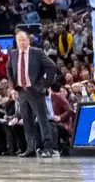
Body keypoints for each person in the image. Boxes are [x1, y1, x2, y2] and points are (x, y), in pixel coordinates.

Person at [7, 30, 58, 158]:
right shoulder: (13, 54)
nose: (22, 43)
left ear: (28, 40)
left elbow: (52, 67)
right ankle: (31, 148)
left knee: (42, 120)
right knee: (27, 121)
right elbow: (9, 69)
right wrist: (12, 87)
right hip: (22, 91)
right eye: (19, 41)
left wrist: (44, 85)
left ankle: (48, 148)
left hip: (35, 90)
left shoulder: (37, 52)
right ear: (16, 42)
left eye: (24, 40)